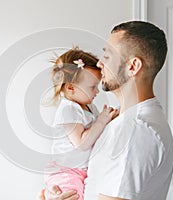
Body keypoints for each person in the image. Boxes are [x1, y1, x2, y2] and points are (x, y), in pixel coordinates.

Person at [39, 21, 173, 200]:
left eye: (108, 56)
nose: (99, 63)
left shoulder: (134, 129)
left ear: (133, 66)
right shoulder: (123, 120)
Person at [44, 47, 119, 200]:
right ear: (70, 88)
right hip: (67, 172)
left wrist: (109, 119)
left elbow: (99, 132)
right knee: (72, 196)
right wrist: (102, 120)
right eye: (92, 87)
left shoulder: (89, 107)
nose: (97, 92)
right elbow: (81, 143)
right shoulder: (68, 109)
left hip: (80, 170)